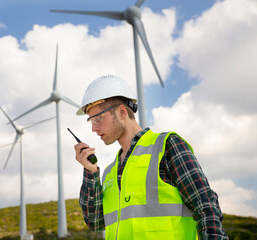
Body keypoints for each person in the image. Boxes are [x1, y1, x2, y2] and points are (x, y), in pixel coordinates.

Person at [73, 75, 228, 239]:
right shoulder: (110, 171)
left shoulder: (167, 146)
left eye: (98, 118)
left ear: (121, 112)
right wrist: (90, 172)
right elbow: (95, 223)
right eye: (91, 121)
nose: (94, 129)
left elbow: (205, 204)